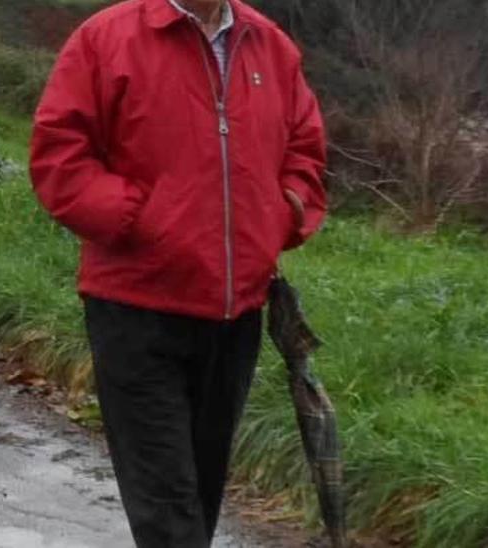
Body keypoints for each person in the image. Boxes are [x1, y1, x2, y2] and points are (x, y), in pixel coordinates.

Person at [28, 0, 327, 545]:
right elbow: (59, 155)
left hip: (235, 317)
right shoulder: (106, 38)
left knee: (200, 497)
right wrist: (141, 221)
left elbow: (305, 150)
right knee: (169, 513)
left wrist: (281, 213)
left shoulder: (270, 46)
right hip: (136, 311)